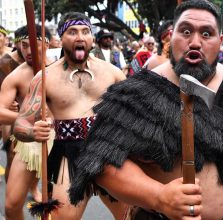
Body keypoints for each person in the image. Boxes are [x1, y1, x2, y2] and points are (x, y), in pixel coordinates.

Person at [68, 1, 223, 219]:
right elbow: (102, 164)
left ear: (221, 41)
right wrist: (159, 197)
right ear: (170, 37)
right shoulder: (136, 94)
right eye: (186, 31)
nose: (195, 42)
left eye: (207, 33)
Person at [13, 12, 127, 220]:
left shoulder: (112, 73)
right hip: (69, 157)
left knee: (132, 215)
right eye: (72, 32)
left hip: (108, 152)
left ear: (92, 38)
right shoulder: (45, 78)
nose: (80, 37)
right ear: (61, 38)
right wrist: (32, 131)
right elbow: (20, 124)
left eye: (85, 31)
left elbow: (134, 113)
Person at [2, 24, 52, 220]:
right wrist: (25, 118)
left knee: (63, 209)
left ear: (47, 44)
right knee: (12, 205)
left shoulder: (62, 68)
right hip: (29, 140)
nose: (29, 50)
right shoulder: (15, 75)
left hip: (66, 143)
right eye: (24, 45)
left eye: (35, 45)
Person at [0, 26, 26, 183]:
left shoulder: (47, 62)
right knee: (12, 153)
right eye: (25, 45)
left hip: (38, 117)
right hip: (10, 113)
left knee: (37, 159)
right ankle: (11, 193)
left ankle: (32, 188)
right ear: (18, 44)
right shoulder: (5, 63)